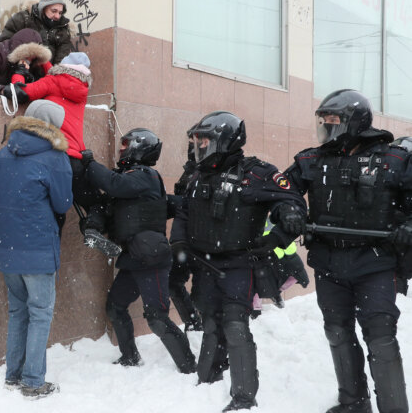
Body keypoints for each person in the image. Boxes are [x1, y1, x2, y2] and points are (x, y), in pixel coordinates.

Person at [170, 111, 307, 411]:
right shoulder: (196, 175)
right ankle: (208, 379)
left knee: (235, 325)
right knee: (210, 321)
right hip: (204, 264)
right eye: (197, 141)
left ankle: (244, 397)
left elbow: (290, 200)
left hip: (239, 264)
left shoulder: (255, 173)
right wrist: (178, 243)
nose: (199, 146)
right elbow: (183, 211)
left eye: (204, 140)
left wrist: (282, 227)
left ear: (225, 140)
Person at [284, 89, 411, 413]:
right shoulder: (311, 160)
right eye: (323, 121)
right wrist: (291, 210)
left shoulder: (393, 159)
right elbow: (282, 191)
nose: (327, 126)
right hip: (329, 264)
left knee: (380, 337)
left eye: (334, 120)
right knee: (338, 332)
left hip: (375, 264)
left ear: (355, 122)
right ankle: (354, 402)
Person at [80, 129, 197, 373]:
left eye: (125, 144)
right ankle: (130, 357)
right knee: (115, 306)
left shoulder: (146, 175)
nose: (121, 148)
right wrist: (92, 226)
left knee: (157, 318)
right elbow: (110, 203)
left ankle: (188, 367)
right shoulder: (128, 183)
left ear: (139, 147)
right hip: (133, 258)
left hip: (151, 258)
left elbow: (114, 184)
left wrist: (90, 164)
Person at [0, 99, 73, 400]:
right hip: (38, 247)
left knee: (18, 311)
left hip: (8, 248)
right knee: (40, 313)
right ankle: (33, 382)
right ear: (52, 126)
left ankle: (13, 375)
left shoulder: (3, 154)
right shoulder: (54, 157)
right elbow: (63, 203)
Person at [9, 51, 121, 257]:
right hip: (77, 160)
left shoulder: (53, 81)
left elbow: (21, 93)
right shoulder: (81, 89)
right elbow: (62, 79)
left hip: (54, 155)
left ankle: (47, 248)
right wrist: (45, 63)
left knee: (52, 208)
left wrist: (19, 73)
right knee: (94, 201)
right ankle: (92, 228)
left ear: (63, 67)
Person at [167, 137, 203, 331]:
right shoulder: (190, 169)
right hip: (184, 239)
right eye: (190, 142)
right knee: (172, 282)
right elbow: (183, 203)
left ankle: (206, 329)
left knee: (204, 291)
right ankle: (194, 323)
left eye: (195, 142)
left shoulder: (209, 170)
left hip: (204, 241)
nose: (192, 146)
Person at [0, 0, 71, 65]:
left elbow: (62, 57)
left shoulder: (63, 28)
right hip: (20, 68)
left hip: (49, 72)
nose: (57, 16)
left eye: (60, 13)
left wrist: (54, 74)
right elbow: (3, 46)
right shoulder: (23, 19)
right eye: (54, 11)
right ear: (43, 9)